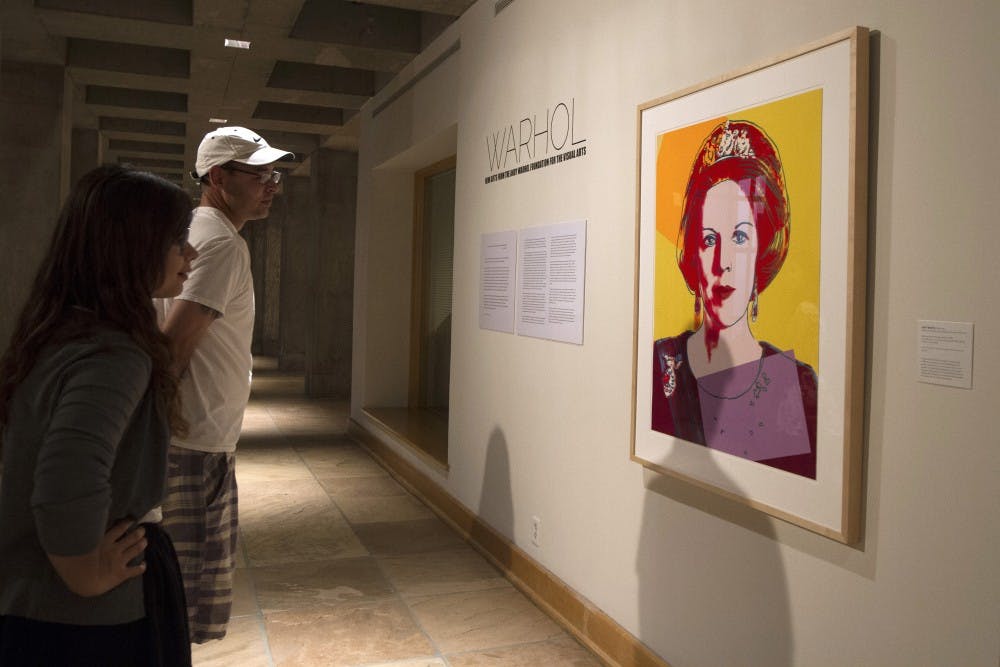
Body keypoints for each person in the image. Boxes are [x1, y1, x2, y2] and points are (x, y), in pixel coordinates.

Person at [0, 165, 197, 665]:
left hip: (37, 598)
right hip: (85, 614)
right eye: (177, 240)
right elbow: (68, 473)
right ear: (133, 246)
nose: (190, 254)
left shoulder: (61, 332)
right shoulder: (115, 353)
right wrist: (85, 572)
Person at [154, 126, 292, 643]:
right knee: (184, 602)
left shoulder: (197, 231)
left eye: (273, 175)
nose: (271, 185)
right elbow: (173, 348)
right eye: (260, 175)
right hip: (193, 442)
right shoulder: (221, 245)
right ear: (217, 177)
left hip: (189, 437)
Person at [651, 120, 818, 479]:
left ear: (761, 250)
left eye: (740, 237)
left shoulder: (798, 390)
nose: (722, 261)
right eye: (710, 239)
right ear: (695, 251)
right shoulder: (658, 368)